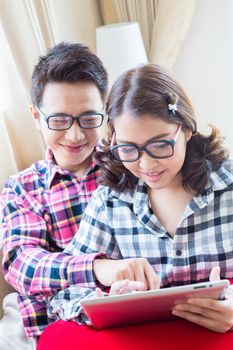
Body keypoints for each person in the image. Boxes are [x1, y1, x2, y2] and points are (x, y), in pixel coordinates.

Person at [37, 63, 233, 349]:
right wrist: (108, 300)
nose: (146, 164)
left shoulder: (227, 188)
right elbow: (64, 292)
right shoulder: (110, 201)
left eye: (160, 145)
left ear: (187, 129)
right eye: (128, 149)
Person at [0, 41, 109, 338]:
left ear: (106, 113)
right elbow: (22, 264)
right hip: (64, 324)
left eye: (89, 118)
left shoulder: (131, 167)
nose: (75, 135)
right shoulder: (22, 188)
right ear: (36, 117)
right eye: (59, 120)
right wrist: (98, 269)